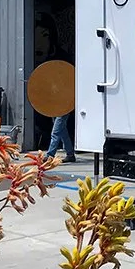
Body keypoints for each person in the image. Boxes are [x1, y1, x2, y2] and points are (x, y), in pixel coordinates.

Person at [35, 12, 76, 163]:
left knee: (57, 129)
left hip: (63, 104)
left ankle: (50, 154)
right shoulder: (56, 74)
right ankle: (70, 154)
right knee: (61, 129)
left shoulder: (65, 74)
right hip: (57, 103)